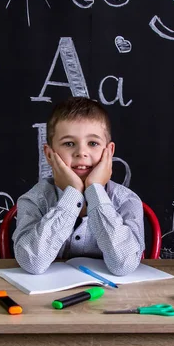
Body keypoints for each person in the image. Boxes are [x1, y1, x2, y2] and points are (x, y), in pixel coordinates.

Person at [12, 97, 145, 276]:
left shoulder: (126, 201)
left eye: (93, 143)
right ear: (49, 155)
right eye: (69, 143)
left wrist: (95, 189)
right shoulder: (34, 200)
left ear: (109, 152)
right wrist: (73, 194)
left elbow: (124, 265)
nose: (81, 152)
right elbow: (32, 263)